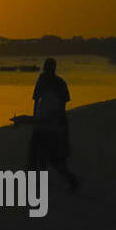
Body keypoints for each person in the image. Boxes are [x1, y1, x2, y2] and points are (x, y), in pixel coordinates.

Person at [29, 58, 78, 190]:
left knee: (45, 157)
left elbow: (37, 102)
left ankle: (70, 179)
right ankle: (69, 179)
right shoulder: (58, 82)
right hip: (50, 124)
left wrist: (36, 119)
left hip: (49, 125)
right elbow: (62, 105)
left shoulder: (45, 82)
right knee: (40, 157)